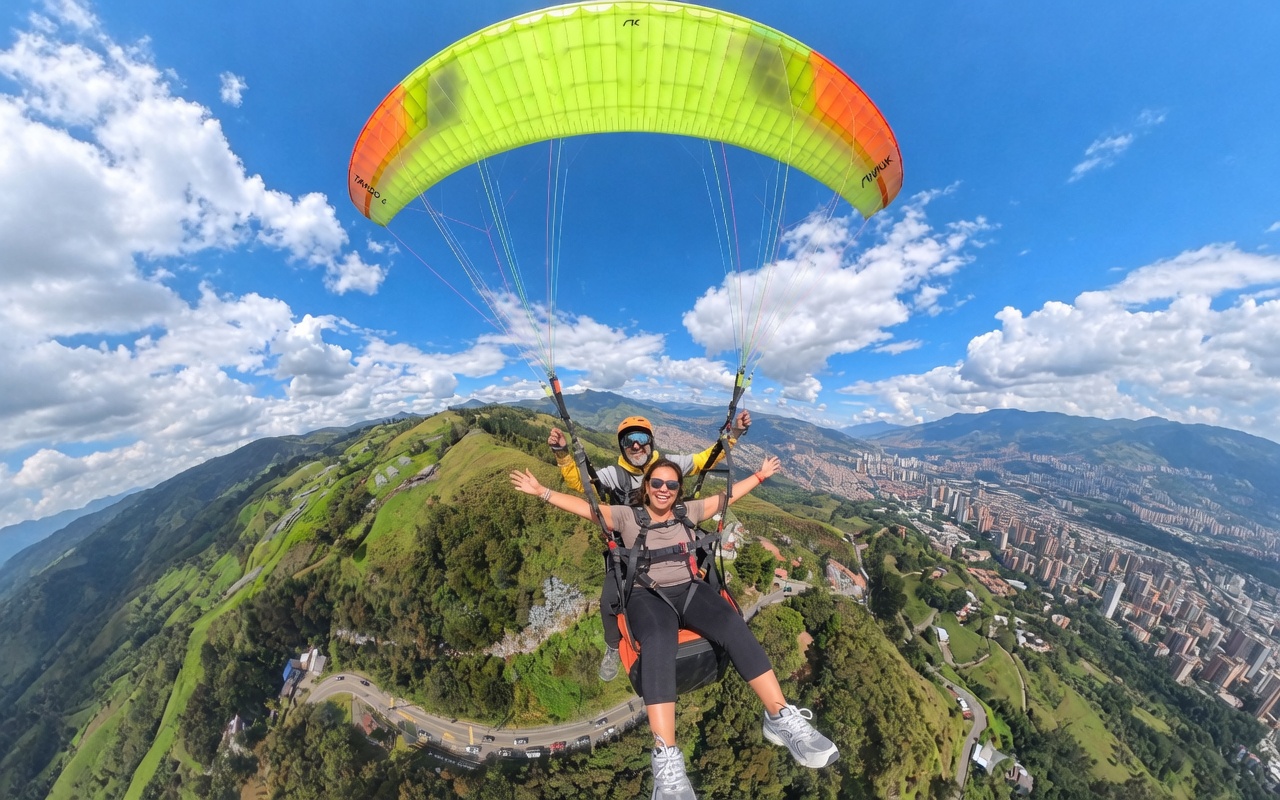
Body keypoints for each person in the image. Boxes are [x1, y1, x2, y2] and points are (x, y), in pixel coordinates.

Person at [511, 455, 838, 800]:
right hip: (645, 594)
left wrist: (759, 475)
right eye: (657, 483)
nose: (664, 490)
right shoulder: (627, 516)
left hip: (689, 589)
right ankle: (666, 758)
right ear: (646, 487)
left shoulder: (688, 512)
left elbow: (725, 499)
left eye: (671, 484)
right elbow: (588, 509)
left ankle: (779, 716)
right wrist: (542, 492)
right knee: (658, 639)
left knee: (731, 622)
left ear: (678, 490)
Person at [547, 412, 750, 682]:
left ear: (650, 441)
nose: (636, 446)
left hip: (672, 539)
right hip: (632, 550)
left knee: (710, 571)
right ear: (622, 446)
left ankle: (720, 631)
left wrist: (734, 434)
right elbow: (582, 483)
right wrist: (562, 454)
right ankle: (612, 645)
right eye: (629, 440)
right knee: (609, 599)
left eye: (641, 438)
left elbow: (706, 459)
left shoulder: (668, 465)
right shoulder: (615, 475)